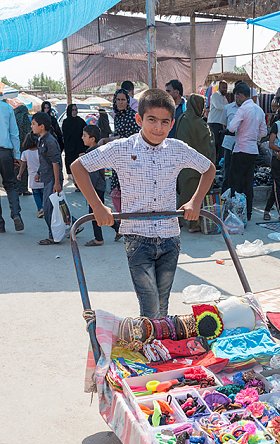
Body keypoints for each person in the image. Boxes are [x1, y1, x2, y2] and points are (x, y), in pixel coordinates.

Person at [71, 89, 216, 318]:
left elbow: (208, 169)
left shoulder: (177, 149)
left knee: (163, 301)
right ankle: (152, 345)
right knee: (150, 305)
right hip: (137, 238)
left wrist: (195, 202)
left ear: (172, 123)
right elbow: (78, 167)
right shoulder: (122, 148)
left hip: (170, 236)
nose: (158, 128)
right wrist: (98, 206)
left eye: (164, 122)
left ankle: (157, 344)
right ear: (139, 119)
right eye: (152, 120)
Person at [176, 94, 216, 233]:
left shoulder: (182, 117)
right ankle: (194, 224)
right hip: (197, 166)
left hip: (183, 164)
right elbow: (208, 145)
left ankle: (180, 219)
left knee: (184, 191)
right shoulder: (200, 124)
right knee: (195, 194)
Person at [228, 82, 267, 221]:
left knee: (237, 182)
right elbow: (264, 131)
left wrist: (242, 132)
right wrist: (253, 137)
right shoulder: (259, 110)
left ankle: (237, 213)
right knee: (248, 183)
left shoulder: (243, 109)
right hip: (252, 150)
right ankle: (248, 213)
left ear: (240, 95)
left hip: (240, 149)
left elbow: (232, 128)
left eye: (236, 96)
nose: (236, 99)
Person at [81, 125, 121, 247]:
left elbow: (93, 176)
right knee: (98, 212)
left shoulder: (92, 154)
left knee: (94, 214)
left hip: (96, 187)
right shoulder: (98, 151)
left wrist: (88, 190)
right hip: (100, 186)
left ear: (92, 139)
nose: (82, 138)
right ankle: (118, 228)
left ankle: (99, 238)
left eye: (84, 136)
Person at [31, 112, 64, 245]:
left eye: (33, 124)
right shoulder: (41, 140)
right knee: (53, 207)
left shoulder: (50, 141)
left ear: (42, 126)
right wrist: (39, 172)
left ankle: (53, 236)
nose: (31, 126)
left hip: (52, 179)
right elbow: (44, 160)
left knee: (48, 208)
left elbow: (56, 162)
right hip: (47, 177)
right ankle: (59, 232)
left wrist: (57, 182)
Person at [109, 88, 140, 214]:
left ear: (128, 101)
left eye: (123, 100)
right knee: (117, 191)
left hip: (131, 158)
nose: (121, 102)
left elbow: (131, 138)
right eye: (118, 100)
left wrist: (109, 140)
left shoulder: (132, 116)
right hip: (119, 157)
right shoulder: (117, 117)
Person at [0, 97, 24, 233]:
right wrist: (17, 155)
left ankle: (0, 225)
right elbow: (14, 134)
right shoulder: (7, 108)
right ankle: (15, 214)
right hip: (5, 151)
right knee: (10, 185)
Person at [17, 132, 44, 218]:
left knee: (36, 194)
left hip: (32, 178)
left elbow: (23, 165)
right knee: (44, 194)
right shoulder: (41, 151)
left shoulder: (25, 153)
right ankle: (45, 207)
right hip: (42, 176)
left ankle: (40, 209)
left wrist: (19, 174)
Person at [221, 95, 239, 193]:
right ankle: (225, 196)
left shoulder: (248, 109)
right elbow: (224, 125)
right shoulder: (228, 108)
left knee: (238, 172)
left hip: (241, 145)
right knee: (227, 172)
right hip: (229, 143)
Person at [62, 104, 86, 176]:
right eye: (73, 110)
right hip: (70, 149)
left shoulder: (81, 121)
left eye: (76, 110)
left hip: (80, 148)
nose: (74, 112)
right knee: (71, 170)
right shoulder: (66, 122)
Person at [207, 81, 228, 163]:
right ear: (219, 87)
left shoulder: (224, 98)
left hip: (221, 124)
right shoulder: (215, 96)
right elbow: (219, 107)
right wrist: (230, 106)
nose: (225, 90)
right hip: (214, 123)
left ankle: (218, 163)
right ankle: (212, 163)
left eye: (226, 88)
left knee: (220, 145)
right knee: (214, 144)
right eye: (223, 87)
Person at [14, 104, 32, 194]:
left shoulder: (13, 117)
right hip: (24, 146)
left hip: (14, 146)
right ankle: (24, 189)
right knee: (24, 167)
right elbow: (28, 131)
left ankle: (16, 188)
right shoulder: (25, 117)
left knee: (16, 166)